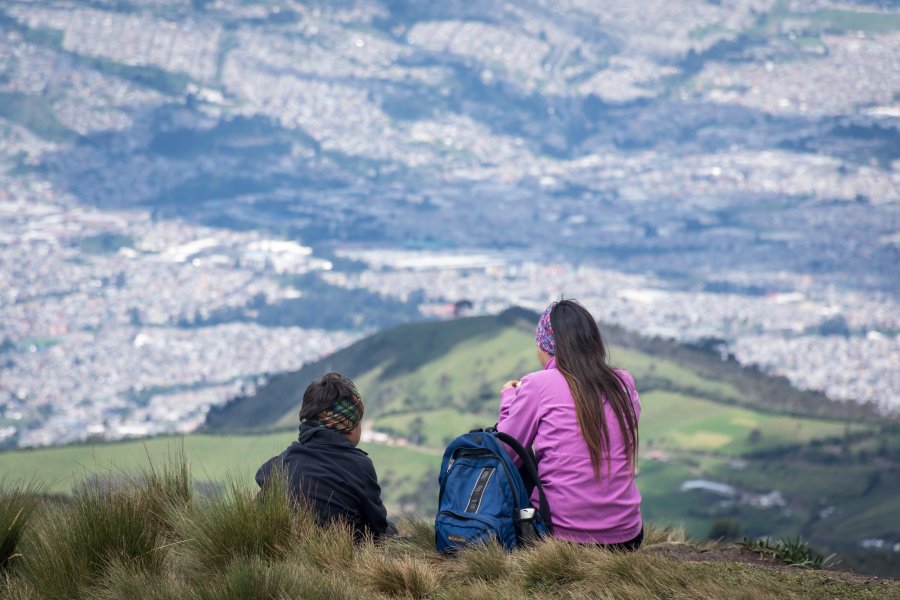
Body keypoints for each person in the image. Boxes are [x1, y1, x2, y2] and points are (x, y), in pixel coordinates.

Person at [497, 299, 642, 550]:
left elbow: (507, 452)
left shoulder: (537, 384)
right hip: (627, 535)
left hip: (561, 536)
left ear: (545, 347)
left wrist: (510, 399)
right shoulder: (623, 383)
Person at [255, 372, 395, 541]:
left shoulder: (281, 462)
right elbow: (378, 528)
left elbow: (260, 491)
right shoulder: (359, 466)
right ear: (349, 425)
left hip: (288, 553)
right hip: (345, 559)